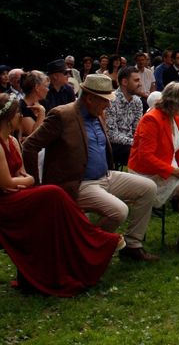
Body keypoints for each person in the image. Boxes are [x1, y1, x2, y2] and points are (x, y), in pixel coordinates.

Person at [22, 74, 159, 261]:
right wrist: (37, 187)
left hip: (105, 176)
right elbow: (30, 146)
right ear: (90, 98)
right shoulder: (62, 115)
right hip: (79, 183)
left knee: (148, 187)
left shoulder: (97, 113)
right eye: (105, 101)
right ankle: (84, 246)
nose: (109, 105)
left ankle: (132, 245)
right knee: (118, 211)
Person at [0, 94, 122, 296]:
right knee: (53, 193)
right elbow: (7, 182)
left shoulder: (12, 141)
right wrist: (28, 181)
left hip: (17, 194)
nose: (20, 117)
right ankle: (94, 237)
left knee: (53, 202)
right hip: (6, 202)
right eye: (18, 114)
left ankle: (78, 252)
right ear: (9, 117)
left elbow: (20, 173)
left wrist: (23, 180)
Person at [128, 82, 179, 256]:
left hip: (166, 168)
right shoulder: (151, 119)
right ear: (177, 102)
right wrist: (174, 171)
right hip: (146, 173)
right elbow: (145, 157)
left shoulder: (175, 117)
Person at [105, 66, 143, 168]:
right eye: (136, 80)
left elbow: (138, 130)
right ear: (125, 82)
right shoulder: (110, 101)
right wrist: (135, 143)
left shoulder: (137, 102)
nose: (140, 84)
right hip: (113, 145)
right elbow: (111, 135)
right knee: (142, 154)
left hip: (130, 143)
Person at [19, 70, 48, 137]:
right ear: (37, 87)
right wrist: (42, 112)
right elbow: (34, 137)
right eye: (46, 86)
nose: (47, 90)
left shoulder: (44, 102)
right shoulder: (22, 108)